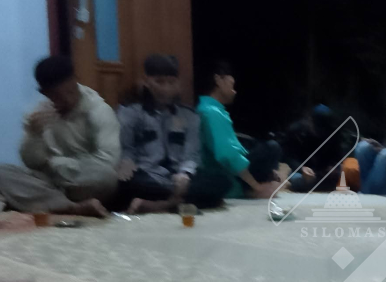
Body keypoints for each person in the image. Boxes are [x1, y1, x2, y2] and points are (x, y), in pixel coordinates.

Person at [0, 56, 120, 217]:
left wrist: (57, 164)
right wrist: (34, 135)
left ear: (76, 80)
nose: (68, 100)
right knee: (1, 172)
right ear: (44, 93)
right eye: (58, 96)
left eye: (70, 91)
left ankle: (45, 202)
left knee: (106, 177)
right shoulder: (39, 114)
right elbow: (32, 163)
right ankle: (72, 207)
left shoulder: (99, 111)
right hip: (51, 179)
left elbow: (109, 161)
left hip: (82, 179)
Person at [115, 55, 231, 213]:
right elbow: (126, 147)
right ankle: (179, 202)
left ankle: (162, 204)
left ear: (178, 84)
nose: (166, 88)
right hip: (148, 175)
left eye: (171, 82)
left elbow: (192, 154)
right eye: (160, 82)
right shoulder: (130, 112)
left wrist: (184, 173)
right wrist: (127, 161)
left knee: (222, 182)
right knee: (126, 184)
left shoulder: (189, 115)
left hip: (180, 178)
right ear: (146, 81)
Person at [195, 61, 280, 199]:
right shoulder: (211, 112)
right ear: (218, 80)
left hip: (222, 172)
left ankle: (261, 184)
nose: (234, 87)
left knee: (259, 146)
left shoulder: (207, 108)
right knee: (272, 147)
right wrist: (256, 187)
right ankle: (252, 189)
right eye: (231, 81)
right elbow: (229, 155)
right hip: (223, 175)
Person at [353, 96, 386, 196]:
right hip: (384, 156)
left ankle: (367, 194)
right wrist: (377, 145)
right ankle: (365, 191)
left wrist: (383, 149)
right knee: (363, 147)